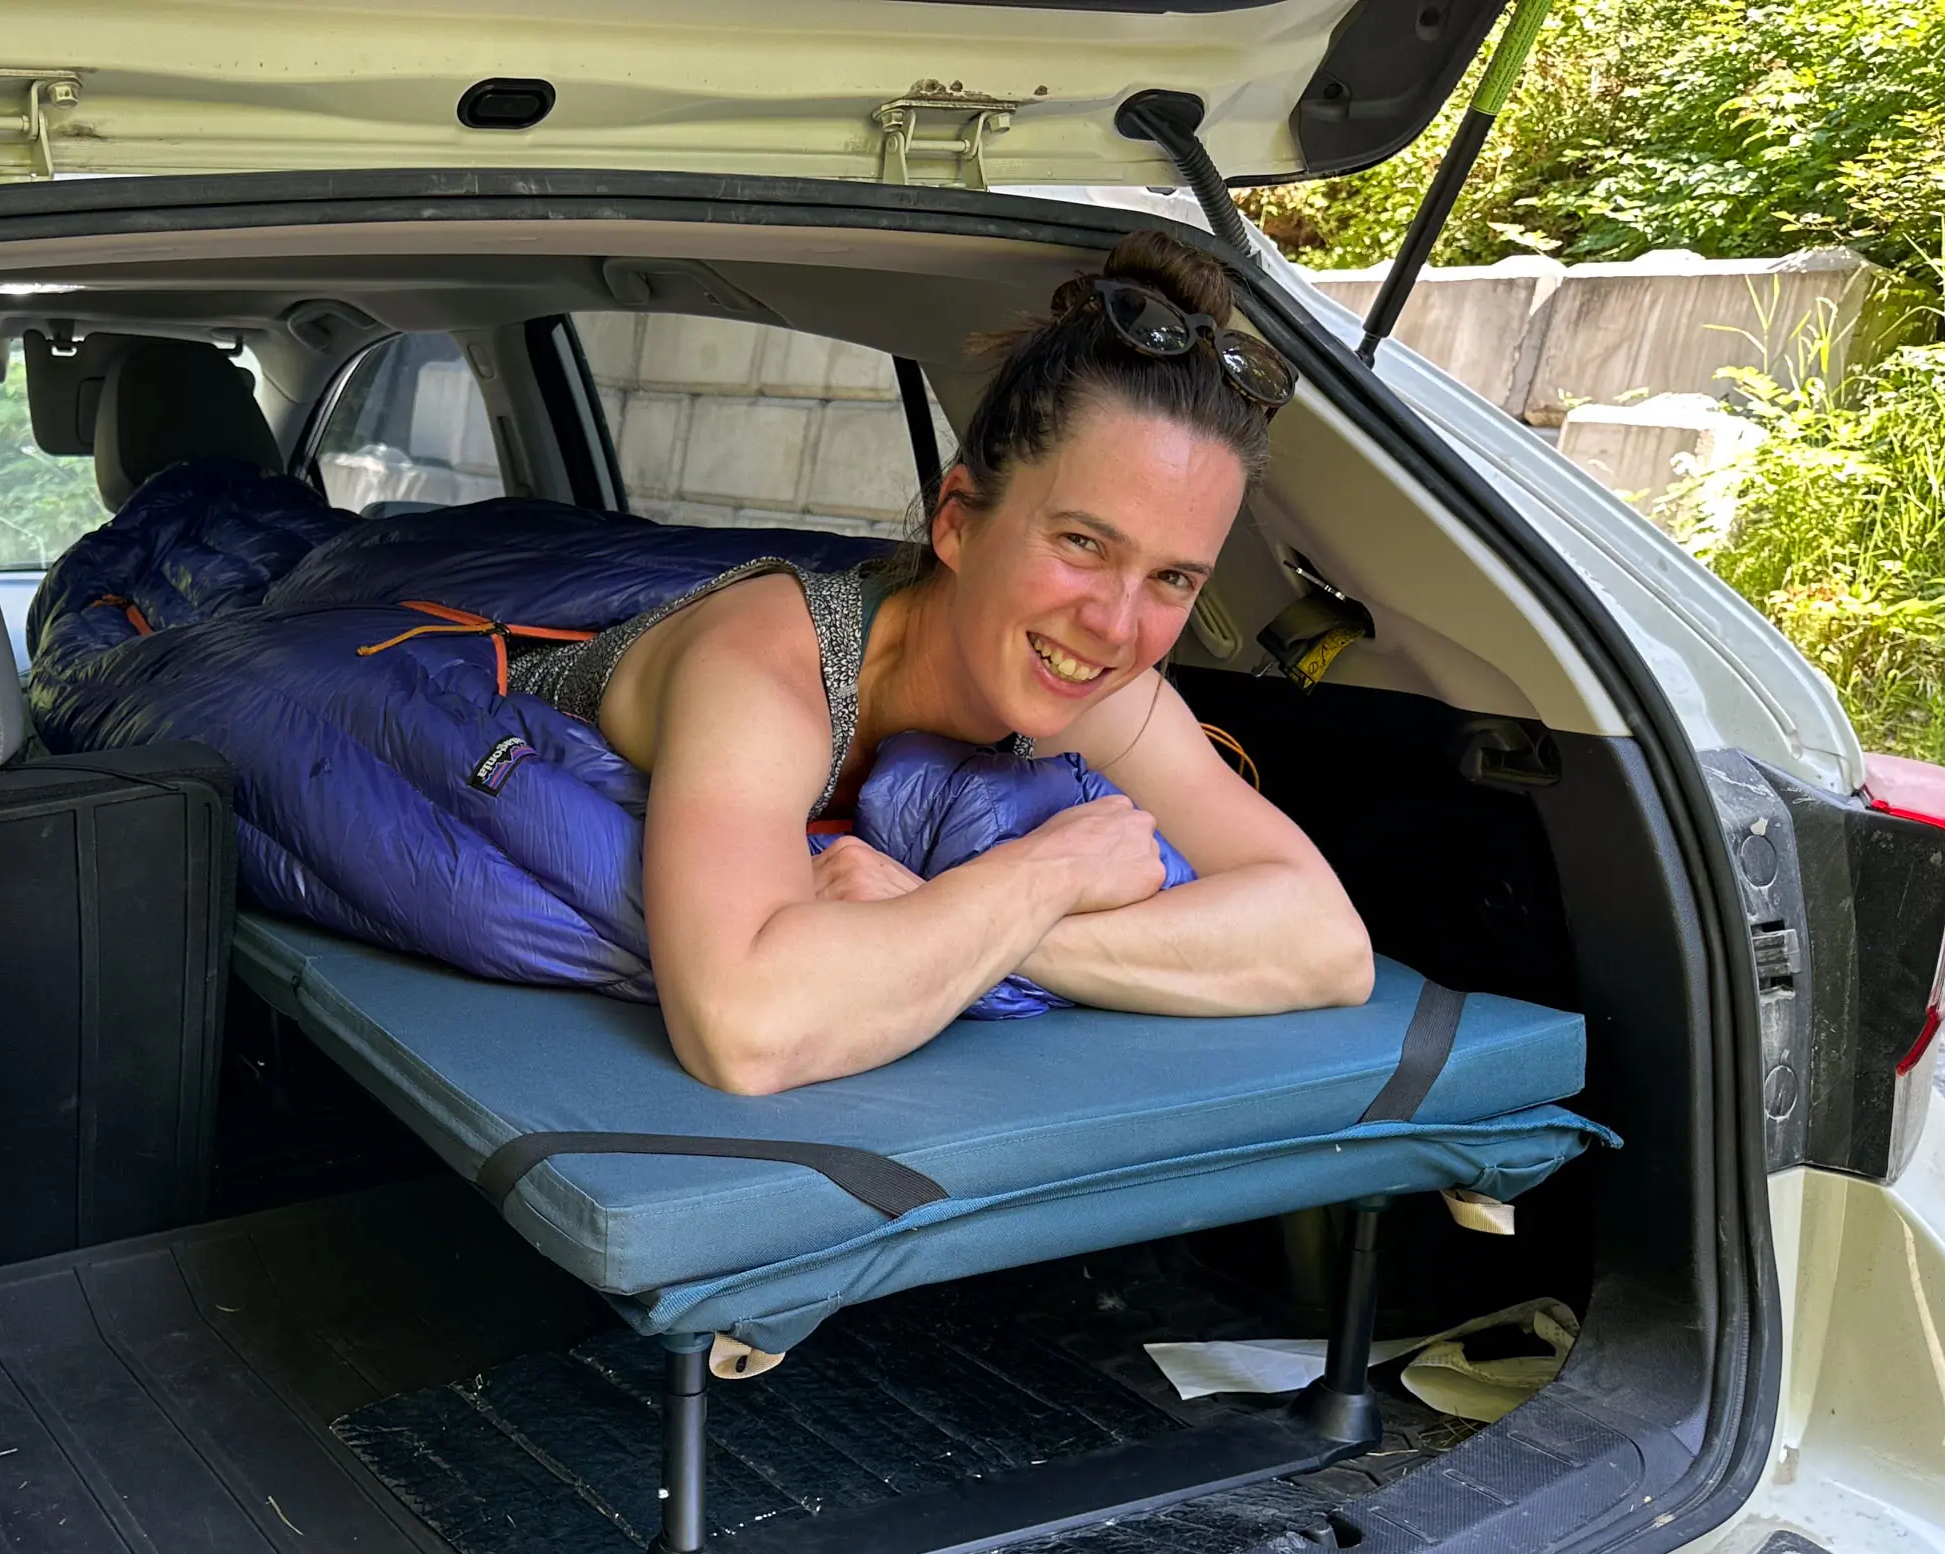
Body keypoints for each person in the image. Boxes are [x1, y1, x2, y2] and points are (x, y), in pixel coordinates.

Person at [510, 229, 1375, 1095]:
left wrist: (997, 926)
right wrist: (1052, 870)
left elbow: (1327, 944)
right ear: (957, 521)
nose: (1114, 627)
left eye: (1172, 578)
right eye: (1081, 542)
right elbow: (747, 1030)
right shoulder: (766, 668)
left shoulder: (1098, 685)